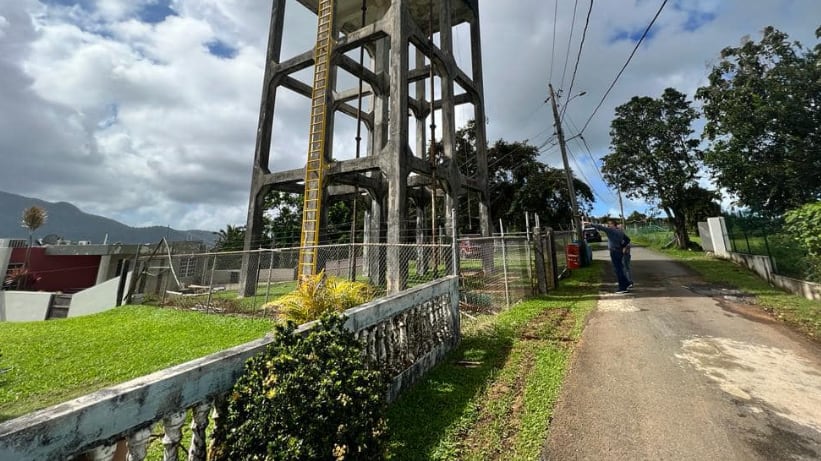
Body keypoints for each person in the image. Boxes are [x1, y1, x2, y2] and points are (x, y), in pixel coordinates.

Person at [583, 220, 631, 293]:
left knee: (618, 269)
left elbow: (600, 227)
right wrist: (622, 246)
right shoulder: (620, 231)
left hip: (614, 251)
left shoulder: (610, 230)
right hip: (619, 250)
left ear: (613, 224)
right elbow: (627, 239)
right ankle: (626, 283)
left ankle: (622, 287)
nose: (608, 226)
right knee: (620, 268)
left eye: (609, 224)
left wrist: (590, 224)